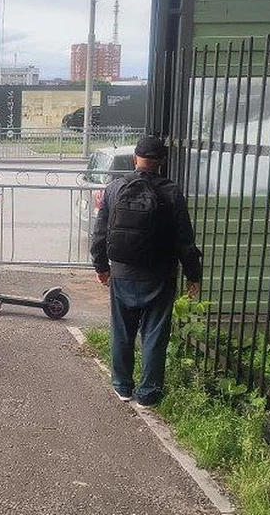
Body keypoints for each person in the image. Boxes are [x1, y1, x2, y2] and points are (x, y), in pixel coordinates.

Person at [90, 135, 202, 407]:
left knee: (122, 331)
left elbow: (100, 233)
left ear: (134, 159)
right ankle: (149, 393)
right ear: (162, 162)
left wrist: (101, 266)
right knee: (154, 334)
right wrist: (193, 275)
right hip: (160, 276)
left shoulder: (115, 188)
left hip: (123, 273)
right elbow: (184, 240)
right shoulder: (172, 192)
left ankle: (122, 387)